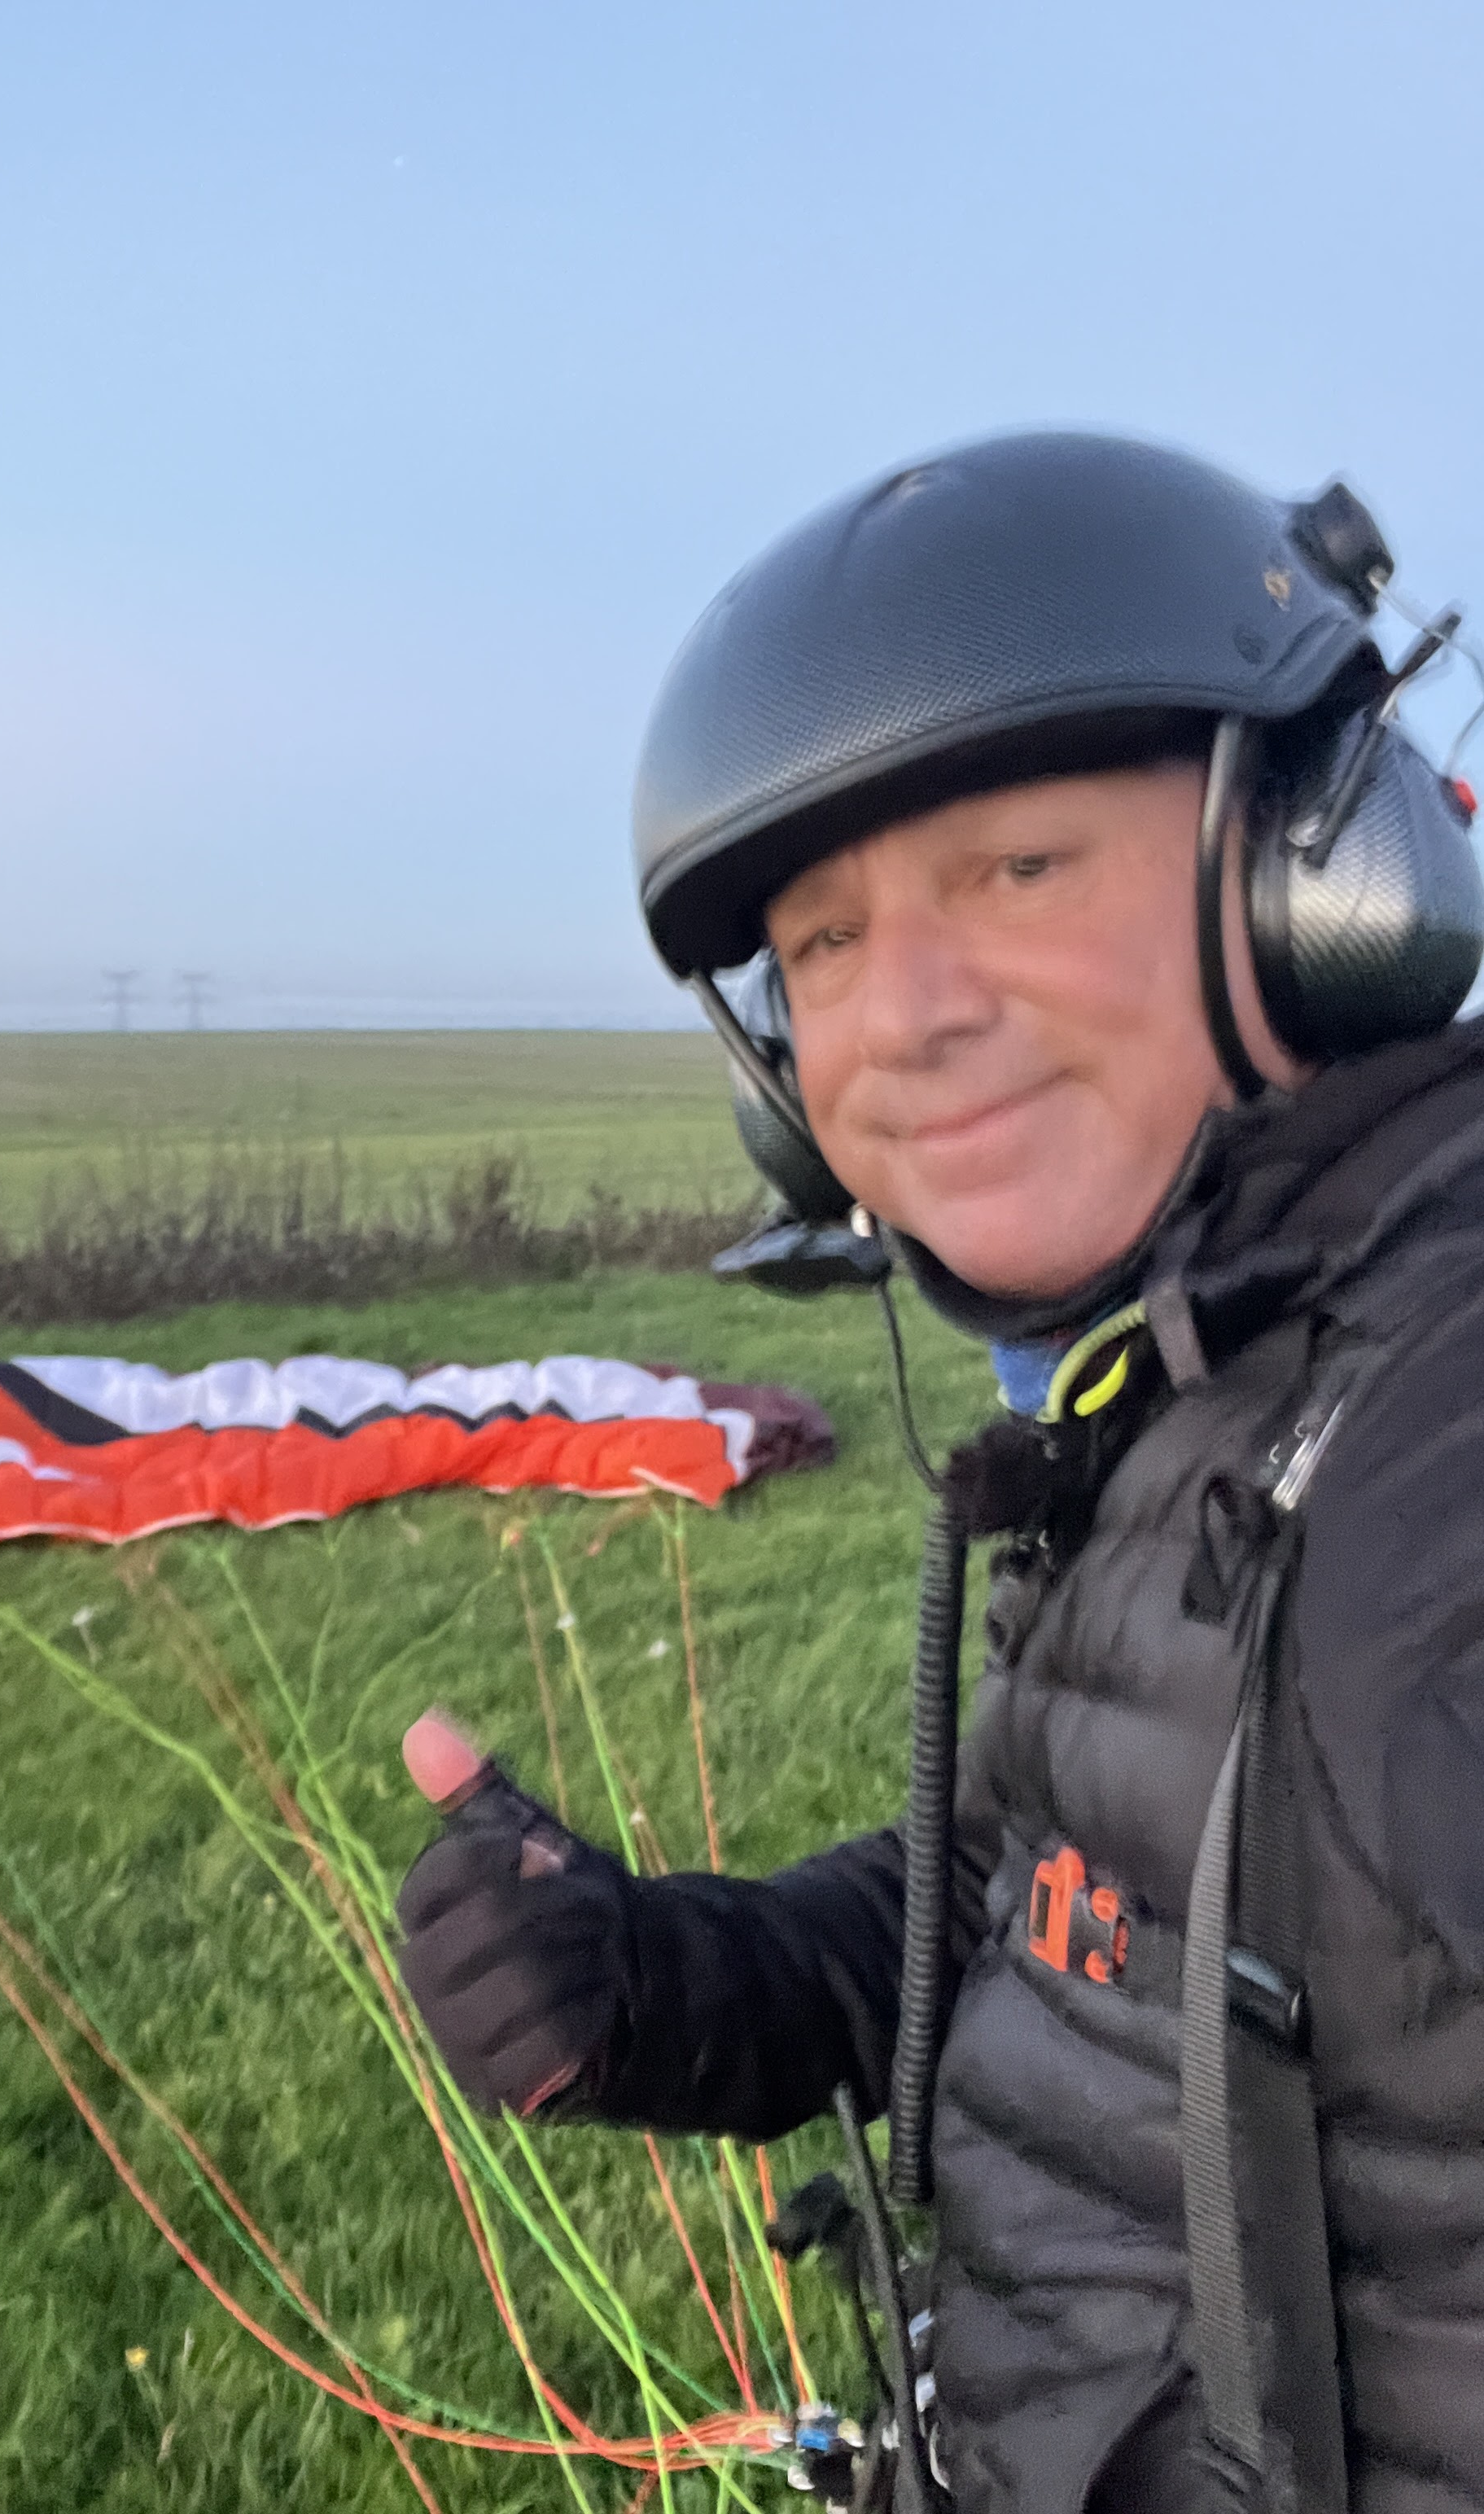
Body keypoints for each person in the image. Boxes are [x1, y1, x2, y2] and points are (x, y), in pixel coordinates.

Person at [393, 431, 1484, 2512]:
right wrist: (660, 1981)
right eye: (819, 944)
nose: (895, 1016)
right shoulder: (1205, 1376)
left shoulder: (1433, 1424)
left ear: (1319, 873)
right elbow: (1046, 1886)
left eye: (1020, 868)